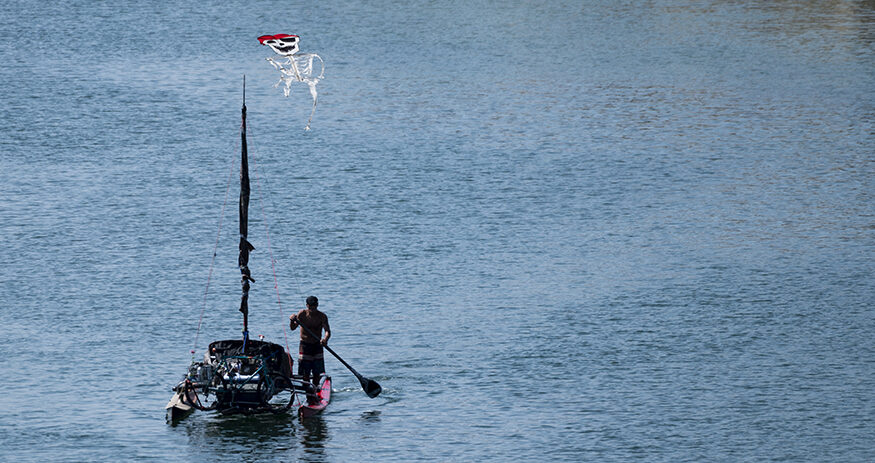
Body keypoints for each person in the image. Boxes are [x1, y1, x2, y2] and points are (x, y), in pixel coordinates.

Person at [289, 296, 330, 398]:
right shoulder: (302, 314)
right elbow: (292, 328)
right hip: (305, 345)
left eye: (315, 306)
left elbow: (327, 331)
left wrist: (325, 339)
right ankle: (308, 392)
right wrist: (291, 320)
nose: (313, 308)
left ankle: (315, 391)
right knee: (305, 373)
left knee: (316, 373)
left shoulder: (322, 316)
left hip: (317, 345)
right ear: (307, 305)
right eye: (311, 306)